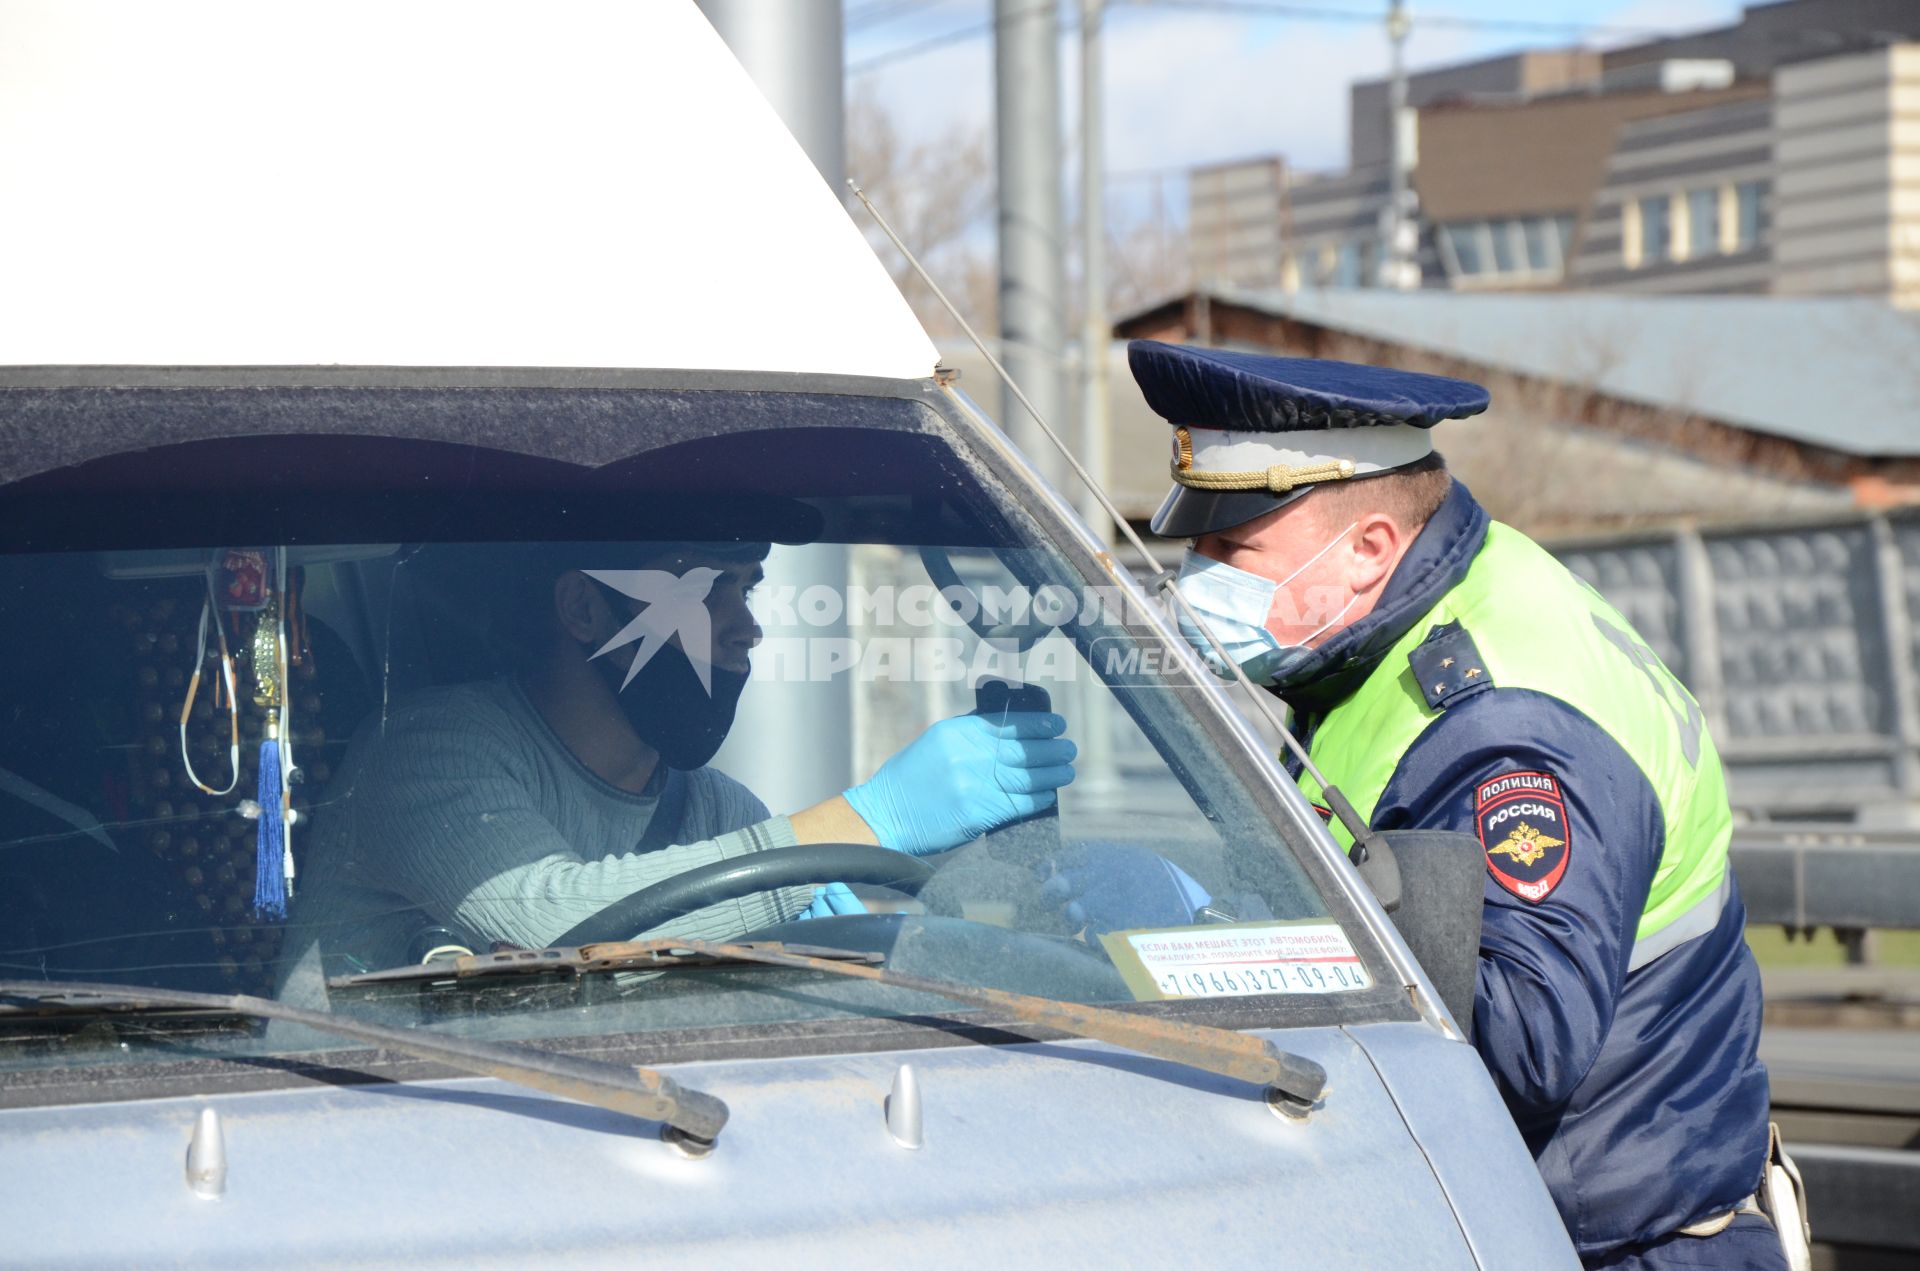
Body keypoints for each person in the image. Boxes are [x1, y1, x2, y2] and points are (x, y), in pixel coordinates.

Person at [1128, 340, 1798, 1271]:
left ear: (1369, 549)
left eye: (1232, 547)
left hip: (1607, 1246)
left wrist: (1246, 936)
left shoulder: (1502, 722)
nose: (1197, 573)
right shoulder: (1406, 622)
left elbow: (1525, 1040)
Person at [277, 537, 1076, 988]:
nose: (747, 630)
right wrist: (873, 818)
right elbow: (558, 925)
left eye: (748, 590)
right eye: (705, 590)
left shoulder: (714, 811)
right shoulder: (426, 751)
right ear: (585, 608)